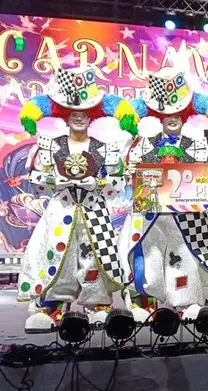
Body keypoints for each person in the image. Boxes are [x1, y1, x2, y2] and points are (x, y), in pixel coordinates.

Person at [18, 65, 139, 332]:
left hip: (94, 210)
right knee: (57, 254)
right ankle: (53, 306)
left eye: (83, 114)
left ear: (91, 117)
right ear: (65, 117)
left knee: (94, 257)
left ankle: (96, 304)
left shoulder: (105, 148)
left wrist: (98, 183)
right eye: (73, 114)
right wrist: (55, 181)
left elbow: (119, 180)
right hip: (61, 209)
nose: (78, 118)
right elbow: (36, 178)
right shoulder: (50, 144)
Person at [119, 69, 208, 323]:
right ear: (158, 117)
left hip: (187, 218)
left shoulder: (201, 146)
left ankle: (188, 302)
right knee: (149, 260)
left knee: (187, 259)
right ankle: (144, 301)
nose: (172, 118)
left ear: (185, 116)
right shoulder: (141, 144)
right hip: (151, 218)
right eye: (167, 114)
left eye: (177, 114)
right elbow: (129, 178)